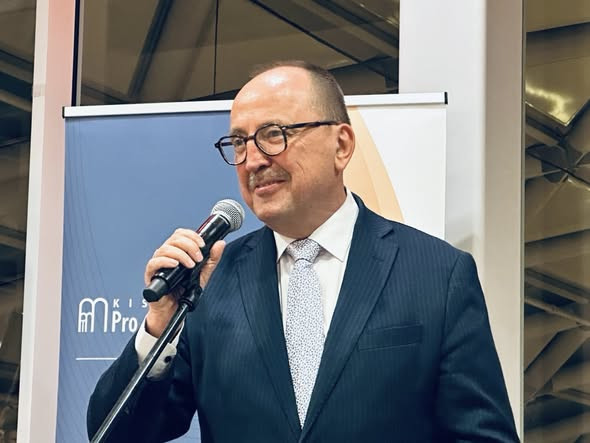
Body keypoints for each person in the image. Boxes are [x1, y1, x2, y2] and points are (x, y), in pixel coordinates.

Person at [87, 61, 519, 442]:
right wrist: (159, 326)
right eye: (239, 143)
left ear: (341, 145)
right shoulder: (210, 282)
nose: (252, 160)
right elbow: (116, 435)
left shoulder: (436, 273)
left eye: (273, 135)